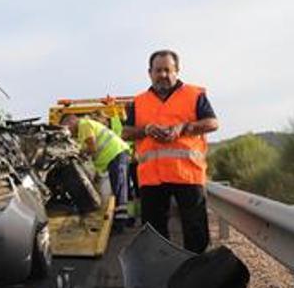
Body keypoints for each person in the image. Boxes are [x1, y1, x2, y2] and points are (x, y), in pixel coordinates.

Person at [122, 49, 219, 253]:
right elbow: (126, 133)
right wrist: (146, 130)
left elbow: (212, 123)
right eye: (158, 70)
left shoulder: (194, 95)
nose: (163, 75)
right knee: (154, 234)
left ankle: (196, 276)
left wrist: (184, 128)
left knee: (196, 232)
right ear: (150, 72)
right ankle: (161, 276)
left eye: (168, 70)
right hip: (151, 178)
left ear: (177, 71)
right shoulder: (138, 101)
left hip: (188, 175)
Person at [60, 113, 131, 229]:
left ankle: (120, 221)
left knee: (118, 187)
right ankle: (118, 219)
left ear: (72, 120)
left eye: (66, 127)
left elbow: (92, 148)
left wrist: (77, 153)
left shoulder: (84, 125)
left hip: (116, 153)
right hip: (111, 157)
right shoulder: (81, 131)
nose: (68, 132)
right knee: (115, 187)